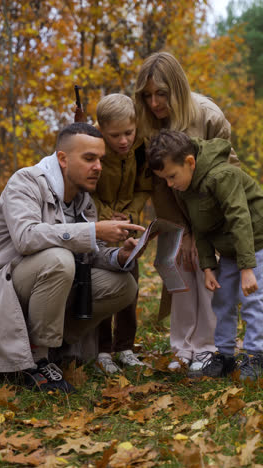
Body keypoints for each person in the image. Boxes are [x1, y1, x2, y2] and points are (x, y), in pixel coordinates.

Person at [0, 122, 145, 393]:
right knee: (59, 260)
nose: (98, 167)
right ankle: (35, 362)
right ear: (63, 159)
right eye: (89, 158)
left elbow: (90, 251)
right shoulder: (26, 181)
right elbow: (26, 237)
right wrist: (92, 229)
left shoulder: (82, 199)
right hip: (7, 288)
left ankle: (56, 350)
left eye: (101, 159)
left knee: (124, 286)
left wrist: (121, 256)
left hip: (47, 287)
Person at [135, 51, 239, 374]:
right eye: (147, 95)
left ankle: (209, 346)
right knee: (179, 264)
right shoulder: (146, 123)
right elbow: (158, 186)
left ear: (177, 88)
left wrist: (202, 232)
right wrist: (182, 232)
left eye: (161, 94)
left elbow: (227, 173)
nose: (154, 103)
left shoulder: (207, 116)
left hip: (212, 213)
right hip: (175, 215)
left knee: (206, 270)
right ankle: (182, 347)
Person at [147, 129, 263, 381]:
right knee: (222, 299)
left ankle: (256, 355)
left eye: (171, 176)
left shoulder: (223, 176)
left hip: (255, 244)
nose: (169, 184)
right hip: (232, 250)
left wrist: (247, 268)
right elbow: (200, 226)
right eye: (164, 179)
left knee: (253, 300)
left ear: (189, 162)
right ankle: (225, 355)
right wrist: (208, 267)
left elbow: (240, 220)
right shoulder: (186, 185)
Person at [92, 93, 151, 373]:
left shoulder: (141, 149)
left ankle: (124, 347)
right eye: (115, 135)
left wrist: (129, 215)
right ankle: (102, 350)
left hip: (128, 227)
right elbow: (85, 191)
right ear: (101, 130)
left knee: (131, 286)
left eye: (129, 132)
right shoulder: (95, 152)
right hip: (99, 229)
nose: (123, 140)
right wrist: (106, 217)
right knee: (104, 286)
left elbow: (143, 188)